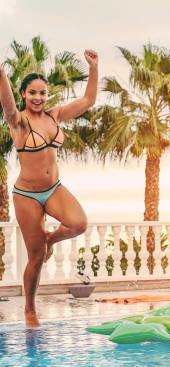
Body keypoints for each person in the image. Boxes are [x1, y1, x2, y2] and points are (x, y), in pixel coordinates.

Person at [0, 50, 98, 328]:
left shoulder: (55, 116)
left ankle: (50, 239)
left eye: (42, 93)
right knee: (36, 257)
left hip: (54, 188)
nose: (38, 98)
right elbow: (7, 107)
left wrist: (93, 67)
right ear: (24, 94)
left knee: (79, 223)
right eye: (32, 93)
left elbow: (89, 100)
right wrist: (1, 74)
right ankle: (30, 308)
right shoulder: (19, 122)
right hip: (26, 195)